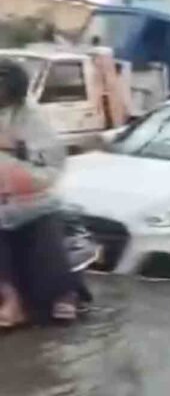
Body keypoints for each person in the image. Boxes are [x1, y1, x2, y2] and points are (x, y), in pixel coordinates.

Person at [0, 59, 75, 327]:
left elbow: (52, 160)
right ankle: (12, 299)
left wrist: (15, 150)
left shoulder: (31, 116)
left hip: (31, 197)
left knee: (46, 240)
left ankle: (63, 295)